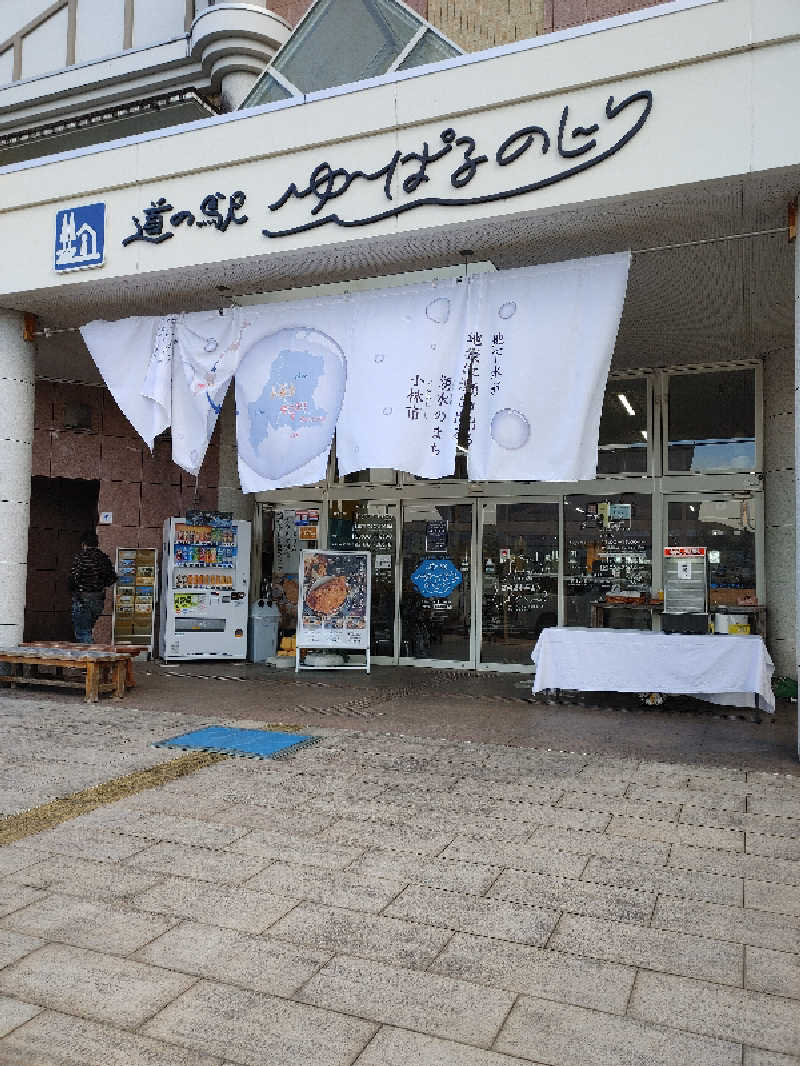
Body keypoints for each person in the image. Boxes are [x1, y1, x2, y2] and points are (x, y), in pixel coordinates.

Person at [69, 531, 118, 644]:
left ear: (83, 544)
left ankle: (91, 658)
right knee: (87, 630)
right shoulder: (103, 558)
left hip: (83, 599)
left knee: (83, 632)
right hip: (98, 600)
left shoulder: (81, 557)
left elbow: (73, 578)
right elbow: (112, 578)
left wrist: (75, 591)